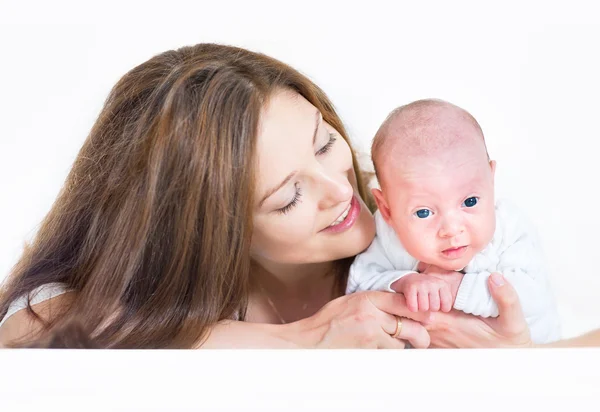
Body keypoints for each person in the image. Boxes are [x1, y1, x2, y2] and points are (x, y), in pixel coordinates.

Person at [0, 43, 433, 349]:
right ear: (208, 230)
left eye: (324, 143)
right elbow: (27, 328)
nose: (340, 190)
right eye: (288, 197)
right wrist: (301, 340)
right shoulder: (152, 295)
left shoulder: (422, 221)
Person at [346, 99, 561, 343]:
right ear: (387, 210)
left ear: (491, 182)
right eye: (424, 212)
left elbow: (532, 296)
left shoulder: (509, 228)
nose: (451, 229)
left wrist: (457, 288)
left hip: (537, 355)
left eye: (469, 202)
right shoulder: (387, 235)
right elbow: (358, 287)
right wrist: (402, 282)